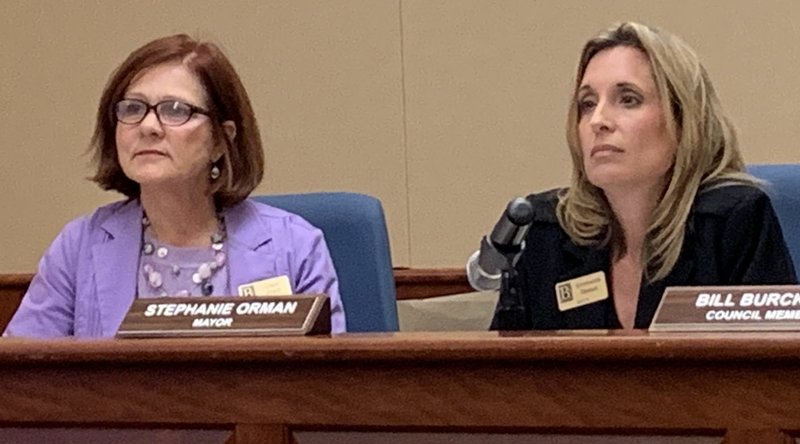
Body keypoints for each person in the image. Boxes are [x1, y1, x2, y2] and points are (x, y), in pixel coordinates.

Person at [5, 34, 346, 337]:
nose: (149, 126)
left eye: (175, 110)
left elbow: (329, 387)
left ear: (220, 141)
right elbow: (20, 382)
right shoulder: (79, 247)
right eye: (133, 108)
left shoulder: (295, 247)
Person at [470, 22, 797, 330]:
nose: (599, 120)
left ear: (683, 121)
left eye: (628, 100)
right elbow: (502, 380)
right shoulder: (546, 230)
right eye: (587, 103)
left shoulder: (731, 222)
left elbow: (770, 376)